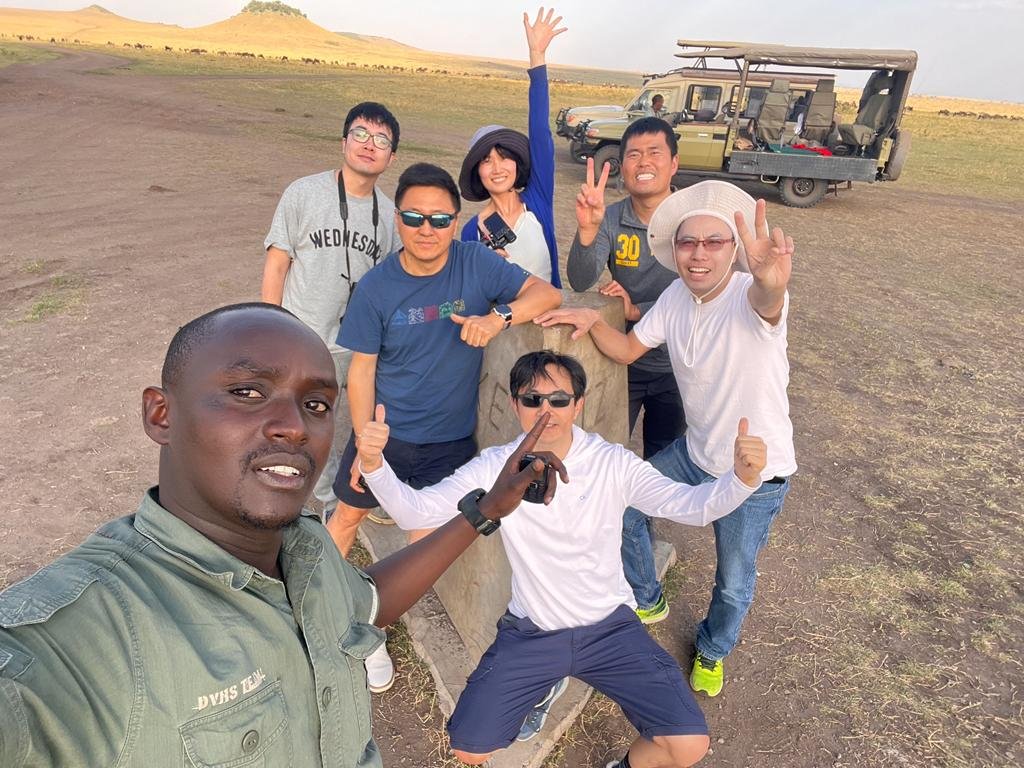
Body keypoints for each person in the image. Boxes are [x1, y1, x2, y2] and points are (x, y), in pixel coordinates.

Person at [0, 302, 557, 768]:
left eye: (316, 405)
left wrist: (488, 509)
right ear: (161, 415)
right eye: (247, 392)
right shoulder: (71, 641)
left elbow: (363, 603)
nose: (295, 425)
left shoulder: (303, 543)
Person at [356, 350, 769, 767]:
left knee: (688, 745)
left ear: (579, 404)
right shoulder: (497, 467)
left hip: (610, 627)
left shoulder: (612, 463)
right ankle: (543, 684)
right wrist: (374, 465)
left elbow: (691, 507)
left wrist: (741, 480)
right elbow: (416, 512)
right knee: (469, 747)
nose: (546, 410)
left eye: (559, 399)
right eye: (532, 399)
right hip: (534, 630)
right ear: (515, 403)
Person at [536, 180, 797, 699]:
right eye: (687, 243)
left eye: (714, 242)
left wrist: (771, 283)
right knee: (627, 507)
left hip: (756, 471)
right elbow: (631, 348)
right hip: (695, 452)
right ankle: (648, 595)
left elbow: (769, 300)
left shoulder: (750, 299)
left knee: (734, 579)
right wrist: (591, 319)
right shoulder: (677, 296)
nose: (698, 254)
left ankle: (713, 650)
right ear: (675, 250)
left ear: (735, 251)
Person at [331, 162, 561, 691]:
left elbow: (545, 295)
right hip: (386, 435)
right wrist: (367, 439)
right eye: (414, 217)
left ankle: (373, 632)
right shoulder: (376, 288)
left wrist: (498, 317)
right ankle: (311, 608)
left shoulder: (475, 263)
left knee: (422, 541)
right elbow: (361, 369)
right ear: (397, 220)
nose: (427, 229)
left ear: (457, 222)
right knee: (345, 519)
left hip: (450, 439)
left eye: (440, 219)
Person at [566, 117, 685, 625]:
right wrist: (589, 232)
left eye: (654, 153)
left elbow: (702, 289)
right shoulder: (614, 217)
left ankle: (640, 533)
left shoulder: (692, 221)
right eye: (633, 154)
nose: (643, 163)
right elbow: (581, 278)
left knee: (661, 459)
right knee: (613, 450)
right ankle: (612, 535)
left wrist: (637, 308)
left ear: (674, 163)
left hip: (679, 367)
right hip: (626, 361)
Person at [261, 101, 400, 522]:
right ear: (343, 141)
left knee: (340, 434)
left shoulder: (390, 215)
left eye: (381, 140)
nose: (368, 145)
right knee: (292, 427)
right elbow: (277, 263)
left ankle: (335, 506)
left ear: (391, 156)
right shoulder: (303, 193)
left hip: (354, 349)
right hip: (300, 339)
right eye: (360, 134)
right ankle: (278, 501)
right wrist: (271, 329)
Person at [457, 8, 564, 285]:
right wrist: (482, 267)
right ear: (477, 172)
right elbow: (472, 292)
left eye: (504, 157)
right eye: (486, 160)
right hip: (505, 325)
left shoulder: (537, 200)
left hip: (548, 321)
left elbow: (540, 133)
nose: (497, 168)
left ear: (516, 163)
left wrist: (537, 57)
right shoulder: (472, 231)